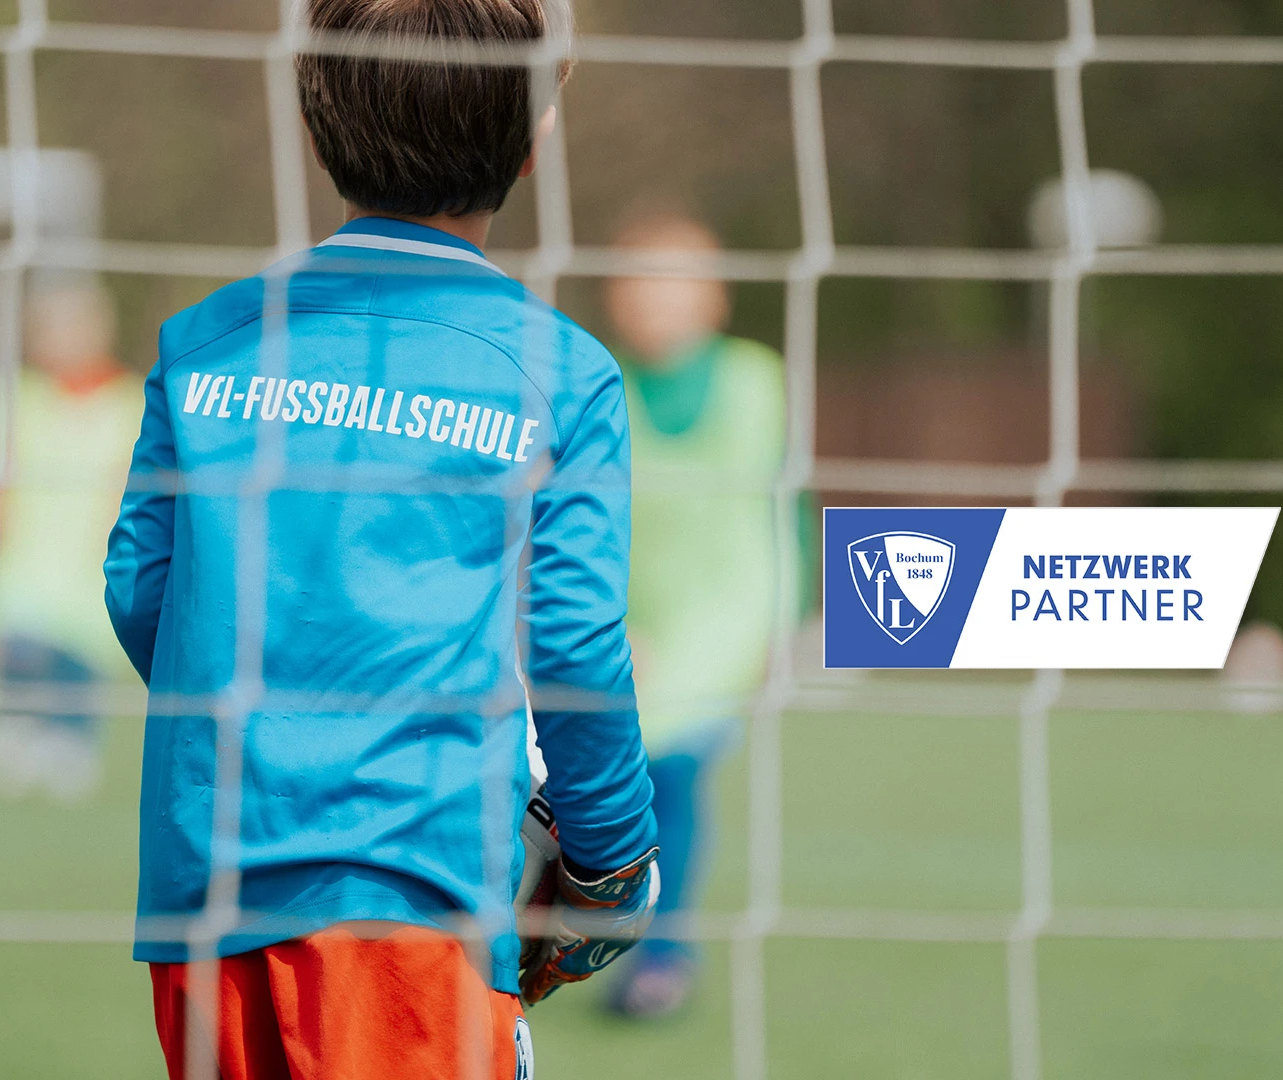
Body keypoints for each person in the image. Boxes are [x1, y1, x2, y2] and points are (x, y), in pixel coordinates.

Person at [103, 2, 659, 1076]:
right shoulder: (561, 373)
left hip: (207, 887)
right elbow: (577, 644)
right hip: (416, 890)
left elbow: (142, 587)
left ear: (317, 117)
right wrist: (611, 856)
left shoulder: (209, 339)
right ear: (538, 133)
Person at [601, 211, 789, 1019]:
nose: (655, 300)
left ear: (714, 298)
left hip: (724, 612)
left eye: (675, 280)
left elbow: (783, 505)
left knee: (671, 772)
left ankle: (663, 957)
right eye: (639, 280)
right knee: (604, 778)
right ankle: (591, 933)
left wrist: (789, 617)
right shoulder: (600, 385)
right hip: (629, 617)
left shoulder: (754, 380)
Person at [0, 281, 144, 804]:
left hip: (92, 558)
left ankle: (71, 744)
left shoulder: (128, 399)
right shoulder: (13, 395)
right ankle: (17, 725)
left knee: (80, 654)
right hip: (23, 555)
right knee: (20, 643)